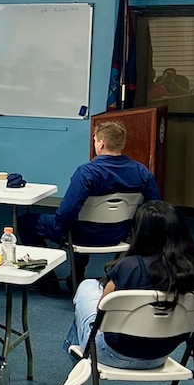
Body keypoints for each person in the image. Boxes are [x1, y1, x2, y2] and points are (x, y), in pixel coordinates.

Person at [65, 200, 194, 372]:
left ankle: (75, 372)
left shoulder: (130, 267)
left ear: (140, 232)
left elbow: (103, 313)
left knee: (87, 287)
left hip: (110, 353)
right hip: (160, 356)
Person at [18, 119, 160, 285]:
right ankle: (76, 276)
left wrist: (60, 229)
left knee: (26, 222)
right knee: (77, 224)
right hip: (119, 234)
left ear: (101, 144)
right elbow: (155, 206)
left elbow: (67, 210)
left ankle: (46, 280)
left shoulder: (87, 173)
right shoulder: (142, 172)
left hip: (81, 235)